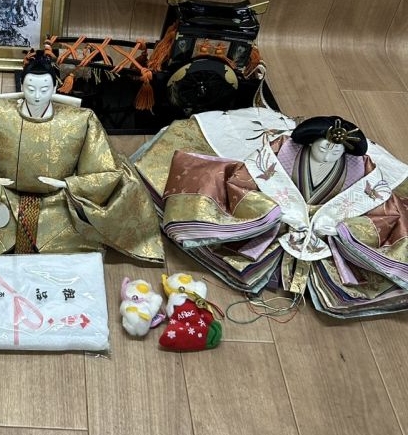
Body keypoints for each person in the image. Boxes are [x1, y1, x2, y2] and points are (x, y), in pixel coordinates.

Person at [133, 107, 408, 318]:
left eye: (337, 149)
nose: (329, 152)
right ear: (310, 143)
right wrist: (272, 212)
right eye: (324, 146)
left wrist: (343, 229)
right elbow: (244, 181)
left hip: (330, 231)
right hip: (276, 216)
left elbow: (383, 211)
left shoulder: (362, 170)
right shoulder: (283, 151)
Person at [0, 50, 163, 262]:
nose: (36, 96)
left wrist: (70, 184)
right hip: (0, 194)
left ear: (56, 87)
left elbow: (103, 170)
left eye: (44, 89)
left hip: (60, 201)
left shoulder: (81, 120)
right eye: (30, 88)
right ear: (22, 84)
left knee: (123, 188)